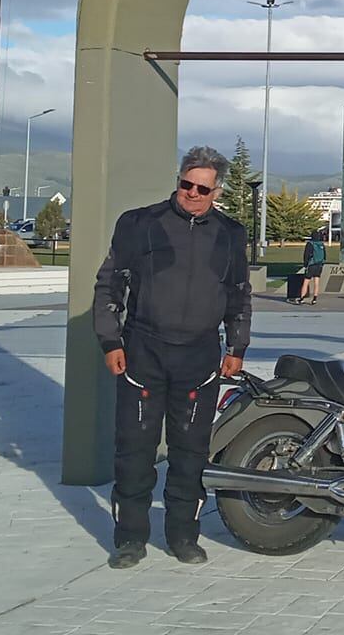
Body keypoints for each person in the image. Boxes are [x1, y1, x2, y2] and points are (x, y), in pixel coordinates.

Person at [92, 146, 252, 570]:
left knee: (190, 453)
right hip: (143, 352)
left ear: (216, 192)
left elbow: (238, 294)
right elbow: (109, 286)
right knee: (135, 452)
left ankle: (183, 535)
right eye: (187, 184)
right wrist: (111, 342)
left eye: (203, 188)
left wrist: (237, 347)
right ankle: (130, 538)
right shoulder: (139, 223)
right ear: (177, 180)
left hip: (199, 359)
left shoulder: (230, 233)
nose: (193, 193)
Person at [297, 227, 327, 304]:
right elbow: (324, 256)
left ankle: (302, 298)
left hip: (311, 265)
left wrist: (305, 264)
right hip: (319, 265)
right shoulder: (321, 244)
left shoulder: (310, 244)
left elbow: (306, 255)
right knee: (316, 282)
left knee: (306, 282)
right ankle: (314, 299)